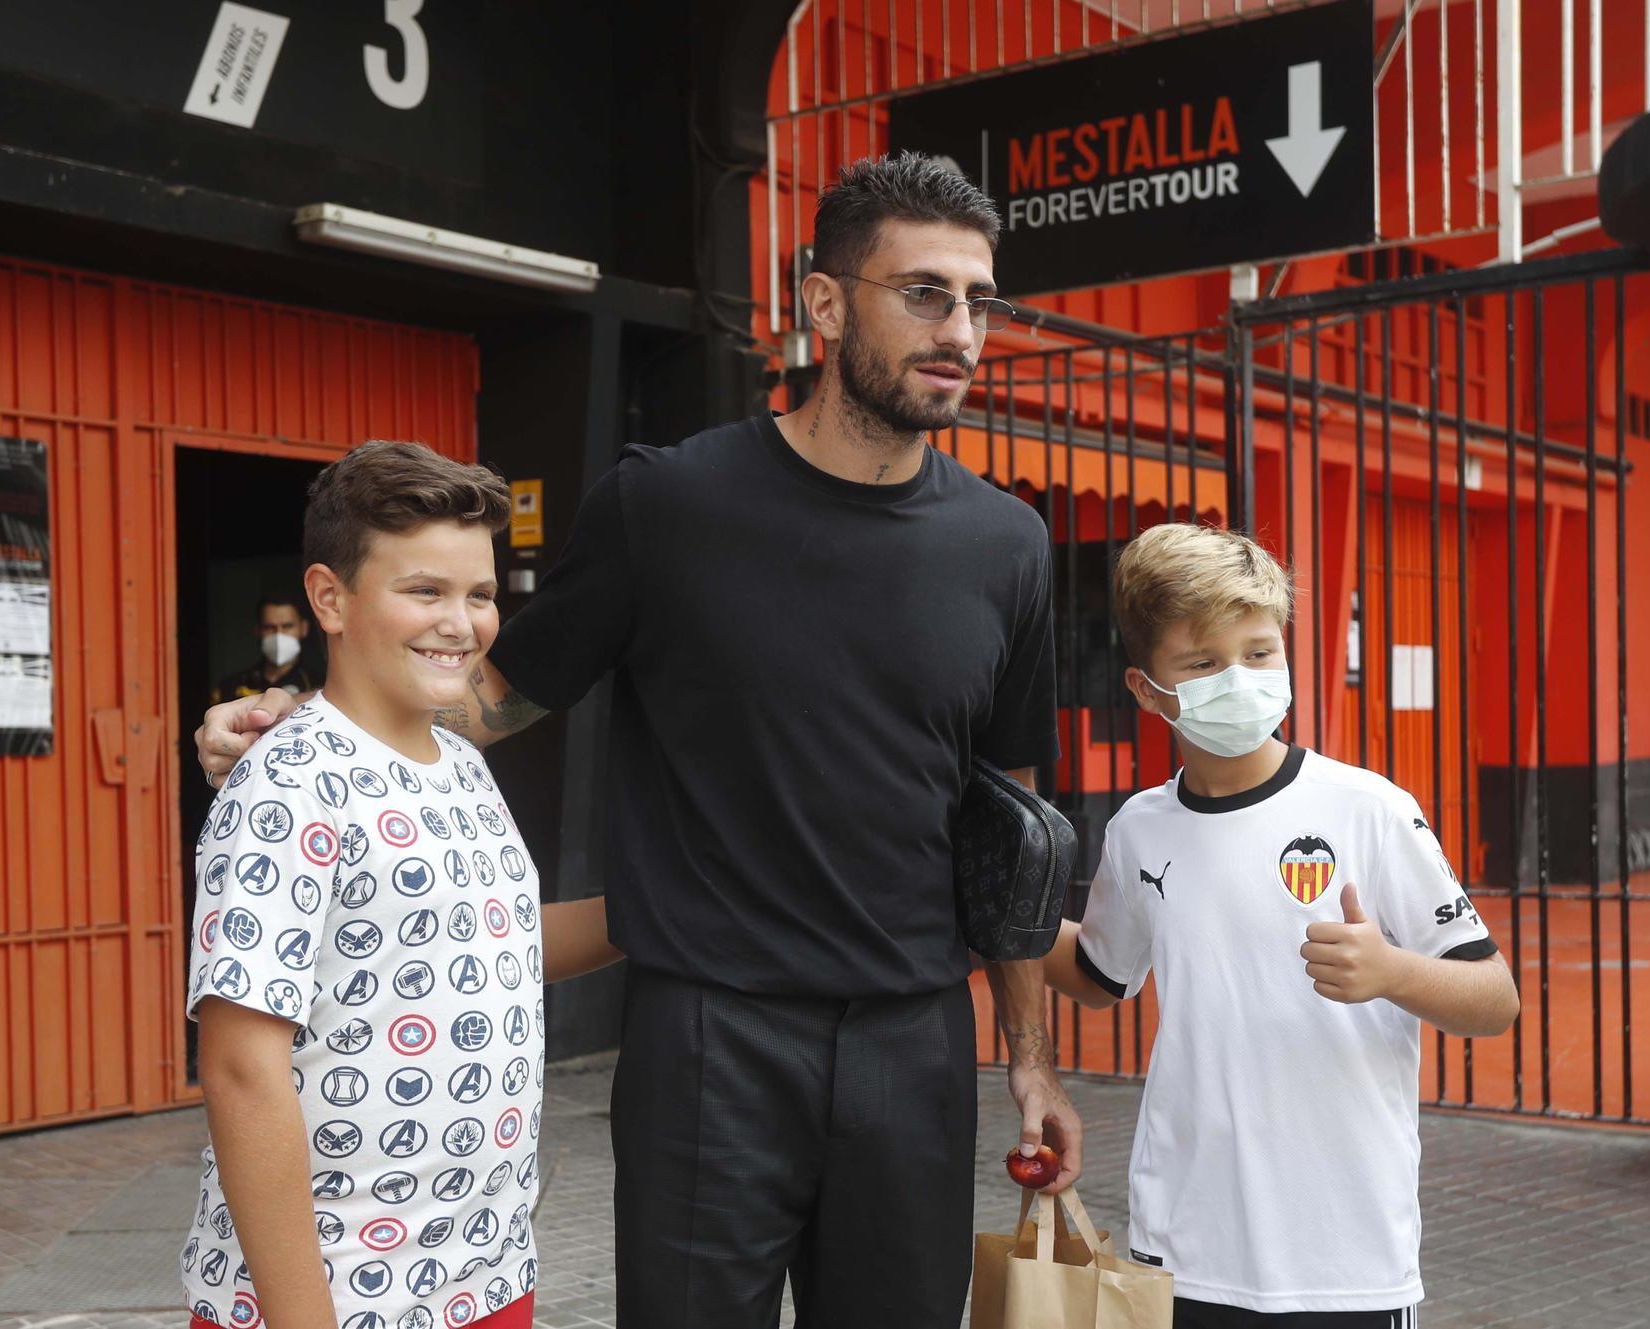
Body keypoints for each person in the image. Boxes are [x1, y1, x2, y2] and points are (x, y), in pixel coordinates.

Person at [195, 152, 1079, 1329]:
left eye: (979, 300)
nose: (960, 329)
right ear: (823, 305)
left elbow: (1005, 825)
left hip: (913, 1037)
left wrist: (1026, 1053)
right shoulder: (668, 504)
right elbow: (490, 695)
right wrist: (301, 723)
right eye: (923, 292)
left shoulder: (1007, 544)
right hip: (710, 1033)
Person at [183, 442, 620, 1329]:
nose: (460, 622)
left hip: (484, 1277)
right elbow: (239, 1067)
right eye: (425, 590)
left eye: (481, 594)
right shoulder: (288, 783)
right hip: (337, 1296)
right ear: (329, 597)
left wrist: (664, 912)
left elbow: (493, 948)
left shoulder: (461, 762)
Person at [1041, 522, 1520, 1329]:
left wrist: (1392, 971)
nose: (1239, 677)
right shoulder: (1139, 828)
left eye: (1259, 651)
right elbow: (1098, 974)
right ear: (1146, 688)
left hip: (1344, 1256)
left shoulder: (1368, 809)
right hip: (1184, 1242)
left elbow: (1495, 998)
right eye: (1202, 662)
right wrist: (988, 920)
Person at [213, 594, 319, 703]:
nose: (279, 634)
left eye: (287, 626)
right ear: (257, 631)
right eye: (269, 627)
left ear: (304, 628)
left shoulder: (319, 687)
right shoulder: (231, 686)